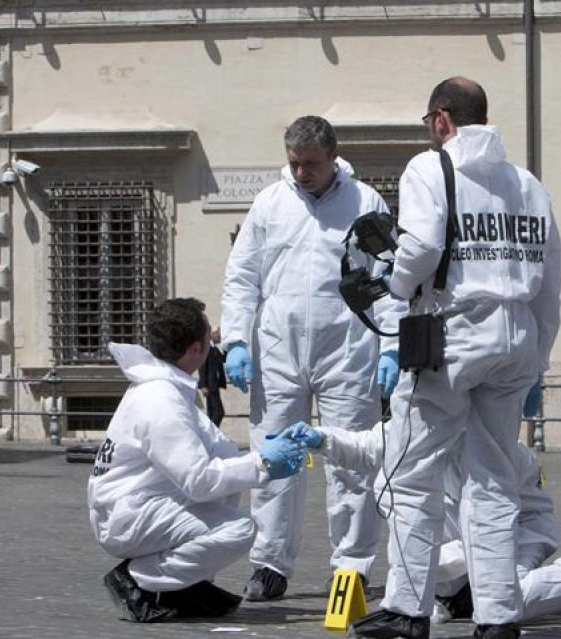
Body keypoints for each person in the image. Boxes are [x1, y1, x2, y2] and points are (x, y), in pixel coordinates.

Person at [349, 77, 561, 639]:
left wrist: (394, 288)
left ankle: (407, 609)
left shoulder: (430, 167)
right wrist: (537, 354)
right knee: (492, 480)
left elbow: (419, 248)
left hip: (453, 335)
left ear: (442, 120)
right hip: (515, 337)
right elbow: (550, 281)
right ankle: (497, 617)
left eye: (429, 122)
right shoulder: (528, 185)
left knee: (410, 473)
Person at [221, 115, 391, 601]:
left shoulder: (366, 203)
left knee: (351, 462)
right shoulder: (269, 204)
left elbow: (390, 275)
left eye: (310, 164)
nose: (301, 173)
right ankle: (270, 563)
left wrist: (394, 346)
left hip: (349, 350)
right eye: (294, 163)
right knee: (274, 456)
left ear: (333, 157)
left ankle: (351, 567)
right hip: (278, 350)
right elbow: (242, 277)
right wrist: (235, 340)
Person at [87, 297, 307, 623]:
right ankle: (135, 578)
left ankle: (186, 586)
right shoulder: (160, 399)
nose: (212, 339)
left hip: (139, 504)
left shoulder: (168, 388)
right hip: (127, 516)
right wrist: (262, 465)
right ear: (195, 350)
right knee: (238, 530)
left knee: (229, 488)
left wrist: (265, 453)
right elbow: (201, 481)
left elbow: (218, 451)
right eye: (208, 336)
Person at [291, 422, 561, 627]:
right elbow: (365, 446)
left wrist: (424, 568)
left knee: (506, 604)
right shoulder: (418, 424)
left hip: (516, 533)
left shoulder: (495, 450)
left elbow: (488, 529)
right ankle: (456, 595)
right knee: (432, 605)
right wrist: (321, 438)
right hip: (455, 536)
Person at [197, 328, 227, 427]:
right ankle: (211, 433)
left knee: (213, 413)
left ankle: (211, 435)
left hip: (215, 385)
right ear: (213, 334)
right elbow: (202, 367)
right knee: (218, 412)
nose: (220, 337)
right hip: (210, 386)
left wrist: (226, 346)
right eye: (219, 334)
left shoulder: (214, 348)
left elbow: (223, 359)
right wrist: (203, 385)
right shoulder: (207, 348)